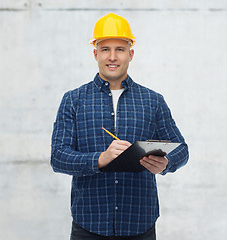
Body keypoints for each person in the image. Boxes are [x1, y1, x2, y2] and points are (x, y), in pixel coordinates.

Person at [50, 13, 189, 240]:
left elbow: (181, 148)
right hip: (89, 224)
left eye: (120, 49)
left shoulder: (153, 101)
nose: (112, 57)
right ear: (95, 53)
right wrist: (99, 159)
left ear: (130, 54)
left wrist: (166, 163)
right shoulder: (73, 100)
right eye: (105, 49)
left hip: (139, 224)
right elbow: (58, 157)